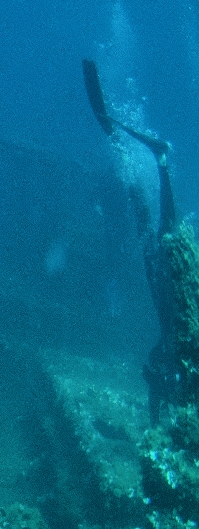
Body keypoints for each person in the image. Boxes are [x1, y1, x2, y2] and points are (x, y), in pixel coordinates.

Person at [85, 59, 197, 423]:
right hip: (170, 282)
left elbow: (156, 376)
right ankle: (154, 160)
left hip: (172, 281)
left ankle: (138, 157)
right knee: (157, 230)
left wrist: (155, 408)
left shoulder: (177, 348)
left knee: (153, 228)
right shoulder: (181, 350)